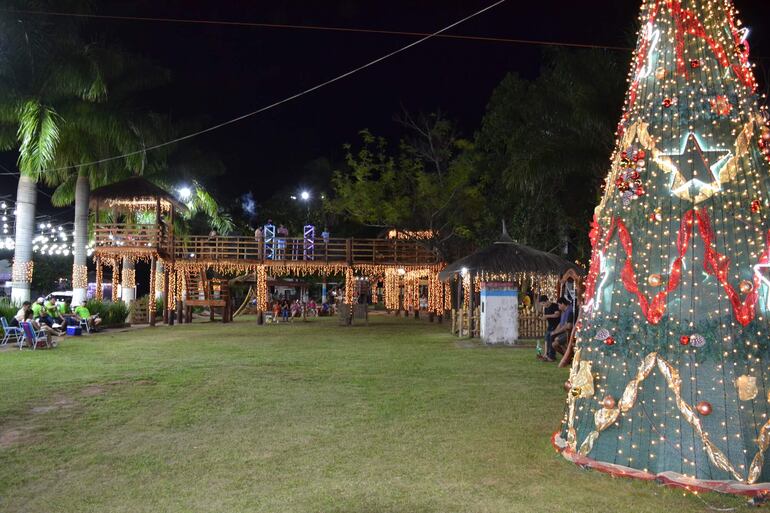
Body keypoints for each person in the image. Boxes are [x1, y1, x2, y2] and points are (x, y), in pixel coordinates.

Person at [538, 295, 561, 362]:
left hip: (557, 326)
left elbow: (557, 314)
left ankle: (551, 356)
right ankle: (546, 354)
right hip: (550, 326)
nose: (543, 305)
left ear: (547, 301)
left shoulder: (554, 306)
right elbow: (547, 318)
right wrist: (543, 318)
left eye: (543, 303)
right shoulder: (545, 309)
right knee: (546, 338)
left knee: (551, 338)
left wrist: (547, 316)